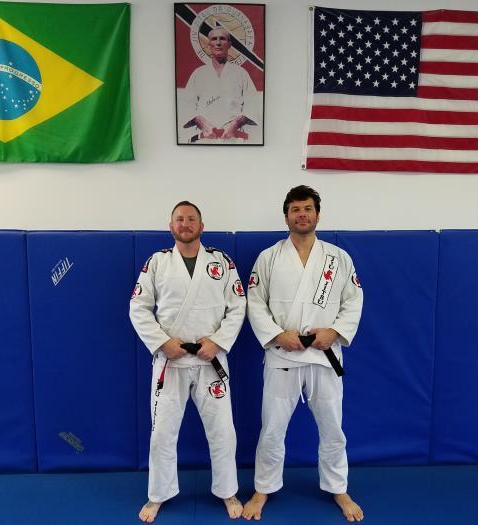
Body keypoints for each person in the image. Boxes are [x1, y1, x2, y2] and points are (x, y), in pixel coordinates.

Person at [242, 186, 365, 522]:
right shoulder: (268, 258)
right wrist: (277, 335)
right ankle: (263, 488)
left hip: (325, 354)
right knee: (272, 429)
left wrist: (334, 332)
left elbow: (353, 300)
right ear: (286, 217)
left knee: (333, 428)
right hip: (283, 354)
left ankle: (338, 488)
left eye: (308, 209)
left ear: (317, 215)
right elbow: (255, 303)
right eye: (295, 209)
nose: (302, 215)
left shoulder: (338, 258)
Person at [130, 201, 246, 522]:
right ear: (171, 227)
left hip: (211, 360)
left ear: (201, 226)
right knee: (162, 433)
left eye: (191, 219)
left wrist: (218, 342)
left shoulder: (221, 262)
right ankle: (158, 494)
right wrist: (162, 342)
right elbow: (138, 307)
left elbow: (238, 305)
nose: (185, 223)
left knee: (223, 431)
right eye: (179, 219)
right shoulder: (157, 262)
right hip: (171, 360)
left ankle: (228, 491)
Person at [179, 26, 260, 143]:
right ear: (209, 44)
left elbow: (252, 105)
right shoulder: (198, 73)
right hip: (206, 137)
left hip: (233, 138)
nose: (218, 43)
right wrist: (202, 123)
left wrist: (235, 124)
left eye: (222, 39)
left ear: (229, 44)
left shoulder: (241, 73)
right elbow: (187, 106)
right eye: (214, 39)